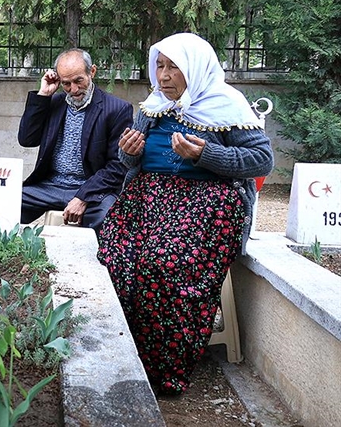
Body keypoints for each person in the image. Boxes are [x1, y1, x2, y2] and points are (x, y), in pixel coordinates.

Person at [97, 32, 274, 395]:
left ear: (194, 67)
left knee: (163, 264)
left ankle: (163, 370)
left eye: (173, 67)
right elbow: (132, 161)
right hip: (148, 200)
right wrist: (129, 152)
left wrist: (204, 155)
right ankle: (122, 355)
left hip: (207, 204)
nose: (163, 76)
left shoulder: (227, 105)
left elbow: (261, 160)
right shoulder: (154, 106)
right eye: (159, 66)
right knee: (114, 259)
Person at [18, 48, 133, 231]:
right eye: (66, 83)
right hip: (49, 187)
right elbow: (27, 139)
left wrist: (83, 197)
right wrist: (43, 96)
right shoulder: (54, 102)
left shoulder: (117, 109)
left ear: (92, 72)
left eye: (79, 80)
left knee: (109, 218)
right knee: (1, 203)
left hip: (93, 191)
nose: (74, 89)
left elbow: (117, 166)